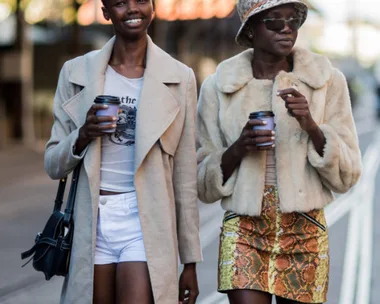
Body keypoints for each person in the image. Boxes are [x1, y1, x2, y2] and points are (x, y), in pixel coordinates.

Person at [196, 0, 362, 303]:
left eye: (293, 20)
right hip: (244, 228)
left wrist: (311, 124)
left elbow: (348, 174)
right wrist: (240, 146)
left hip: (305, 230)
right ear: (251, 29)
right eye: (274, 21)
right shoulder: (219, 87)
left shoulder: (326, 81)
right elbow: (201, 181)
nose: (287, 29)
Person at [44, 0, 202, 303]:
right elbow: (53, 164)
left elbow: (184, 177)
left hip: (145, 221)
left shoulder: (180, 78)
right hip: (92, 222)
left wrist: (190, 262)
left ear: (154, 8)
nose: (132, 9)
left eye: (142, 0)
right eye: (119, 3)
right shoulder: (76, 74)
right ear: (105, 12)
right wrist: (83, 134)